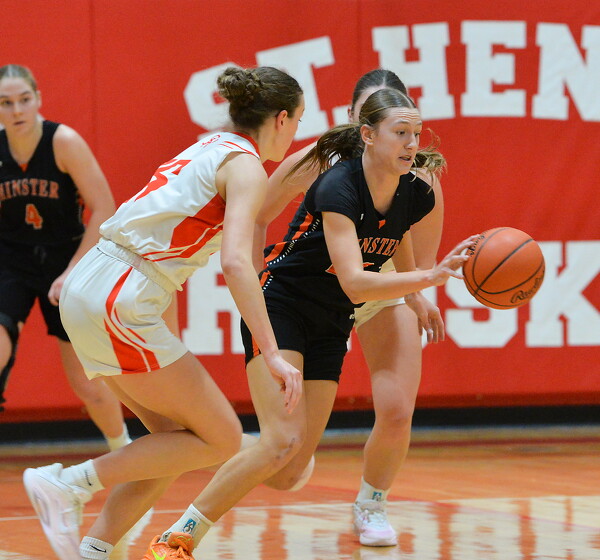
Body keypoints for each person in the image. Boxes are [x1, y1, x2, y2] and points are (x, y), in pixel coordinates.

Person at [141, 87, 477, 560]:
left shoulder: (414, 190)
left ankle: (248, 442)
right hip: (284, 305)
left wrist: (415, 295)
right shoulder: (337, 185)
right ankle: (179, 536)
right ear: (368, 135)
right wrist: (431, 276)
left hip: (331, 320)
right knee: (281, 441)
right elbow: (355, 282)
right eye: (401, 133)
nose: (411, 144)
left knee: (287, 471)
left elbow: (395, 233)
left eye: (416, 134)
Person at [22, 65, 305, 560]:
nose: (296, 131)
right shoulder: (246, 167)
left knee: (172, 440)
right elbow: (237, 262)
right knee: (223, 438)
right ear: (281, 118)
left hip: (96, 280)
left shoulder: (208, 145)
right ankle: (66, 483)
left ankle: (94, 550)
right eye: (298, 120)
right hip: (122, 292)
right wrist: (273, 352)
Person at [261, 69, 444, 546]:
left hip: (383, 284)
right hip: (320, 289)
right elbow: (257, 211)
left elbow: (415, 251)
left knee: (398, 407)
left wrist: (415, 293)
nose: (404, 139)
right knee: (284, 467)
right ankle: (269, 448)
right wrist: (248, 275)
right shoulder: (322, 162)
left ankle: (372, 503)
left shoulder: (419, 176)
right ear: (359, 123)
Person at [0, 64, 133, 449]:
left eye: (24, 99)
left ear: (38, 99)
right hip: (11, 260)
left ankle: (122, 449)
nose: (17, 110)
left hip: (66, 259)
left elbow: (104, 208)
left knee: (84, 382)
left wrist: (72, 271)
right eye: (6, 103)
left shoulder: (63, 142)